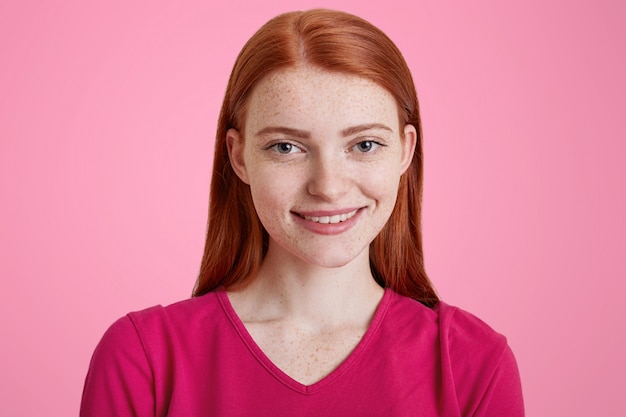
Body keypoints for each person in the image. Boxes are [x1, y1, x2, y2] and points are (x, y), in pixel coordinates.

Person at [80, 9, 524, 416]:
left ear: (405, 151)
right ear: (238, 157)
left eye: (364, 145)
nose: (328, 186)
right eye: (286, 147)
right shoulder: (144, 359)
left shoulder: (475, 366)